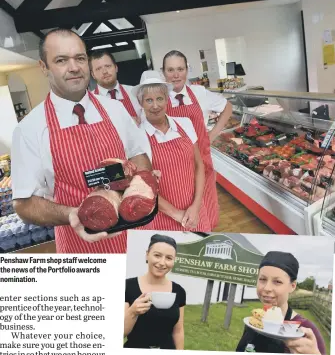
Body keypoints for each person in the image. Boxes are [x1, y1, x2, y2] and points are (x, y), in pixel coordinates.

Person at [11, 28, 152, 254]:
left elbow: (138, 153)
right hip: (79, 244)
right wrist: (72, 214)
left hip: (133, 234)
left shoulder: (115, 110)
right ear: (43, 67)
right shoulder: (29, 130)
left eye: (80, 58)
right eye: (61, 60)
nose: (74, 67)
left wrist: (141, 183)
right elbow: (24, 203)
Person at [162, 50, 232, 229]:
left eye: (180, 69)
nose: (176, 75)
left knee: (209, 214)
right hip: (176, 171)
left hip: (203, 164)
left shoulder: (199, 93)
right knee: (185, 218)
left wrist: (213, 134)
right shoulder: (160, 99)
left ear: (187, 70)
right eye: (170, 70)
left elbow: (227, 107)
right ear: (163, 72)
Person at [133, 70, 211, 231]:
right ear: (140, 103)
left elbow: (198, 166)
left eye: (160, 98)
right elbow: (143, 187)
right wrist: (177, 215)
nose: (155, 105)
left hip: (195, 212)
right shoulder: (137, 136)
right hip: (162, 218)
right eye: (149, 100)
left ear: (168, 99)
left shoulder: (185, 124)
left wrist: (196, 207)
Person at [236, 251, 326, 354]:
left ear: (292, 286)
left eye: (277, 282)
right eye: (262, 279)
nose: (267, 288)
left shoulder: (305, 330)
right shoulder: (254, 320)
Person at [124, 234, 185, 349]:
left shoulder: (179, 291)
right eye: (157, 255)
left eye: (169, 258)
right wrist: (132, 312)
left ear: (174, 261)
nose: (162, 263)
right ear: (147, 255)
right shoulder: (128, 286)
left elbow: (178, 331)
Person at [89, 50, 141, 124]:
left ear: (116, 68)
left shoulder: (135, 92)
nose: (104, 72)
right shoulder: (89, 101)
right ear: (93, 74)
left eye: (108, 66)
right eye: (98, 69)